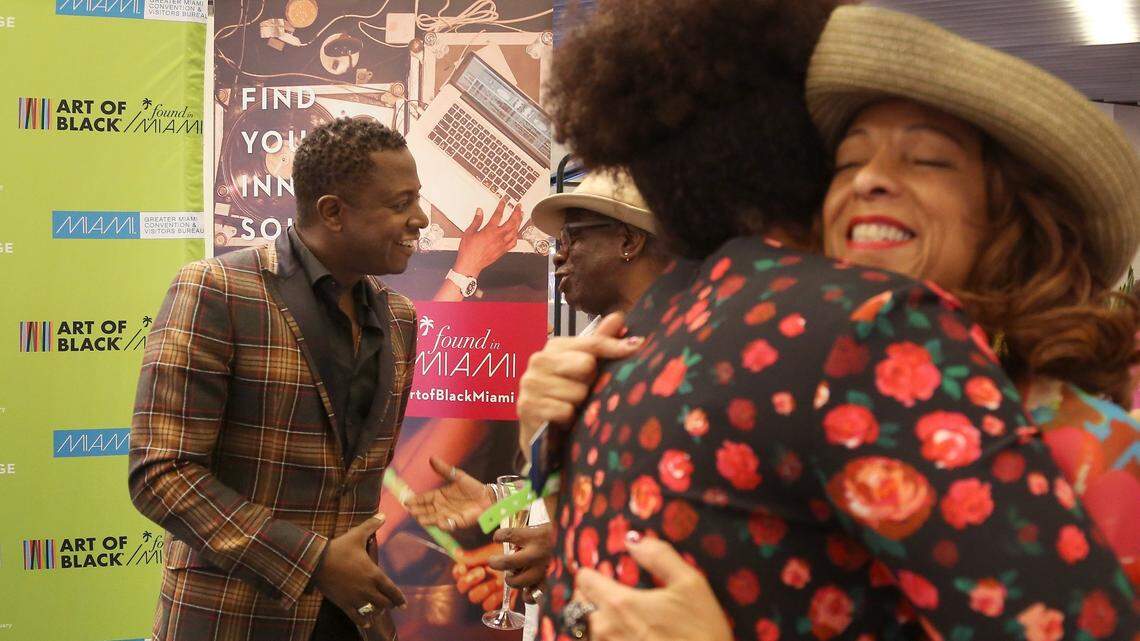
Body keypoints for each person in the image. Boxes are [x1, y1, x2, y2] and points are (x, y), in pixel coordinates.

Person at [522, 0, 1139, 639]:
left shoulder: (1091, 446)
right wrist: (549, 447)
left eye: (925, 158)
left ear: (1011, 215)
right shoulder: (785, 357)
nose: (870, 180)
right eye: (845, 163)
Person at [129, 118, 426, 641]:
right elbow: (162, 473)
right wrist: (312, 561)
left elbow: (351, 479)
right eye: (400, 204)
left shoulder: (399, 318)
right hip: (230, 620)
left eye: (416, 200)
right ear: (332, 211)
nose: (420, 219)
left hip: (353, 623)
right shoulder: (216, 290)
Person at [404, 171, 672, 638]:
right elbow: (590, 490)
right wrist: (496, 501)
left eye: (572, 238)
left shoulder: (680, 358)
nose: (557, 254)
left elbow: (689, 519)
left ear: (628, 240)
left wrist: (570, 550)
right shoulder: (586, 346)